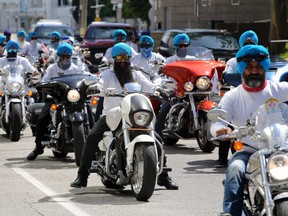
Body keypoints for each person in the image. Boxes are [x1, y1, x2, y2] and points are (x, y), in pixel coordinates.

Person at [70, 42, 178, 190]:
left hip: (134, 113)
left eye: (126, 57)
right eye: (119, 57)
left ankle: (163, 176)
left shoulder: (136, 74)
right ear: (114, 59)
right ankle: (82, 176)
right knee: (92, 136)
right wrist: (97, 87)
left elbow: (149, 86)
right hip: (112, 114)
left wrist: (161, 90)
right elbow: (101, 84)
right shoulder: (108, 74)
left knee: (157, 138)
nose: (123, 61)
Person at [210, 44, 288, 216]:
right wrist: (220, 129)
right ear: (241, 69)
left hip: (281, 150)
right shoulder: (233, 96)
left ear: (265, 68)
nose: (254, 71)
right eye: (250, 67)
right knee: (235, 169)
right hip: (249, 151)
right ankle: (231, 212)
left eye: (259, 67)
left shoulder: (279, 89)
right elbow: (218, 119)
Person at [26, 43, 83, 161]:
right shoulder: (52, 68)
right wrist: (45, 86)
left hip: (72, 98)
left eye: (67, 56)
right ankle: (38, 147)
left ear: (71, 56)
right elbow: (45, 80)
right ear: (58, 57)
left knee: (89, 112)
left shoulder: (77, 67)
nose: (65, 59)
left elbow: (83, 79)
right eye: (62, 56)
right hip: (55, 98)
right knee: (42, 120)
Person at [216, 30, 259, 168]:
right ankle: (222, 158)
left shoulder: (262, 60)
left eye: (251, 43)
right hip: (237, 99)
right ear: (240, 44)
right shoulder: (233, 61)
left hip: (257, 98)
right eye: (246, 43)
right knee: (226, 124)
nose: (248, 45)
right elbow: (227, 75)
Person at [155, 33, 193, 138]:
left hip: (191, 90)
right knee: (165, 108)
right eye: (180, 45)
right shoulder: (170, 60)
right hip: (175, 89)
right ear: (175, 46)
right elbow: (162, 73)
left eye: (186, 45)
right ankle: (157, 136)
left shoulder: (193, 59)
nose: (183, 47)